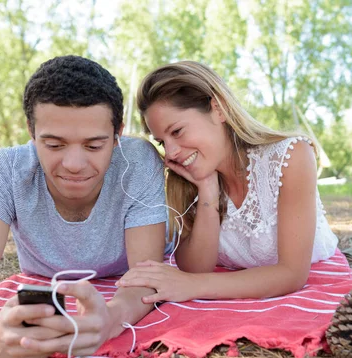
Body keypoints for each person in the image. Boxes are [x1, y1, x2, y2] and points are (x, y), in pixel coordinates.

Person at [0, 55, 167, 358]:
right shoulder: (6, 170)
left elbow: (144, 278)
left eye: (94, 145)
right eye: (55, 145)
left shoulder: (139, 162)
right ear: (31, 131)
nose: (74, 164)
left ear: (118, 134)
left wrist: (111, 319)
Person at [117, 61, 339, 302]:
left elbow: (292, 274)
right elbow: (196, 269)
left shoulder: (290, 157)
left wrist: (194, 286)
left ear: (218, 108)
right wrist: (208, 190)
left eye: (177, 131)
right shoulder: (188, 179)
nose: (170, 152)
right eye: (162, 142)